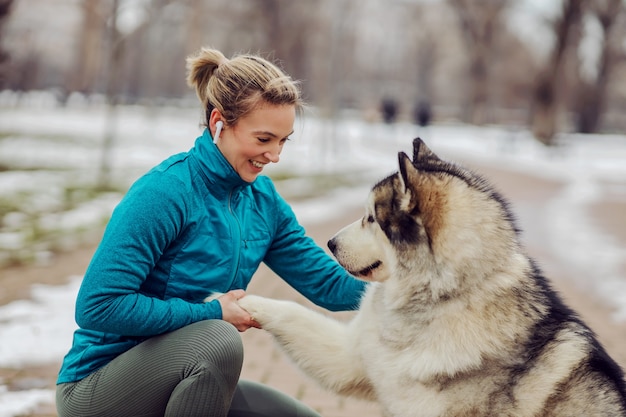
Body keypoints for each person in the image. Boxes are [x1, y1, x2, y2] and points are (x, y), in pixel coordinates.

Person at [55, 47, 367, 417]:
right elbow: (98, 306)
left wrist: (419, 287)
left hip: (183, 377)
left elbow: (329, 285)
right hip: (99, 387)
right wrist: (212, 313)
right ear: (219, 123)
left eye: (284, 140)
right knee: (218, 339)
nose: (276, 155)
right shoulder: (166, 192)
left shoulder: (263, 201)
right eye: (264, 139)